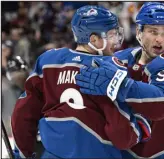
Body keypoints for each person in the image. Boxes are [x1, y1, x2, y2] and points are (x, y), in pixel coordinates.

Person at [11, 5, 151, 159]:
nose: (116, 40)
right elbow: (122, 135)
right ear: (94, 40)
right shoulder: (110, 69)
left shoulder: (49, 62)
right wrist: (140, 128)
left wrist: (22, 154)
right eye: (111, 35)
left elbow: (22, 114)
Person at [76, 2, 164, 158]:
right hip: (123, 151)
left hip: (160, 153)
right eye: (153, 31)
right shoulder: (121, 57)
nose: (159, 39)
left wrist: (117, 84)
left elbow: (160, 103)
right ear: (139, 32)